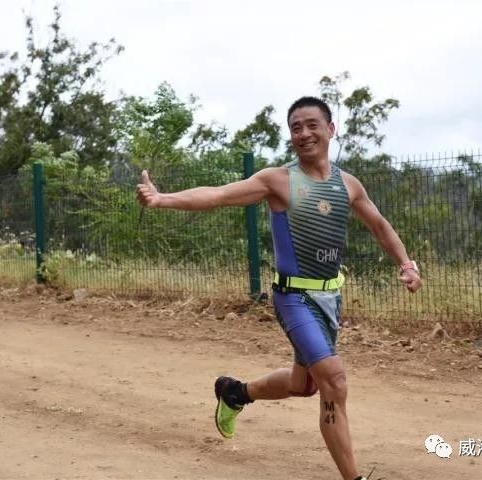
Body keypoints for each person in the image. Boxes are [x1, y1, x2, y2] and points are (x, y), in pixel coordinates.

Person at [136, 96, 422, 480]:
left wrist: (406, 263)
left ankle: (236, 392)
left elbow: (380, 227)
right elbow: (219, 195)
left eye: (312, 125)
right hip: (293, 298)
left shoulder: (348, 185)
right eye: (296, 128)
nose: (303, 134)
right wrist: (161, 199)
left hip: (330, 300)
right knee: (333, 381)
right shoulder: (279, 181)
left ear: (330, 130)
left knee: (303, 385)